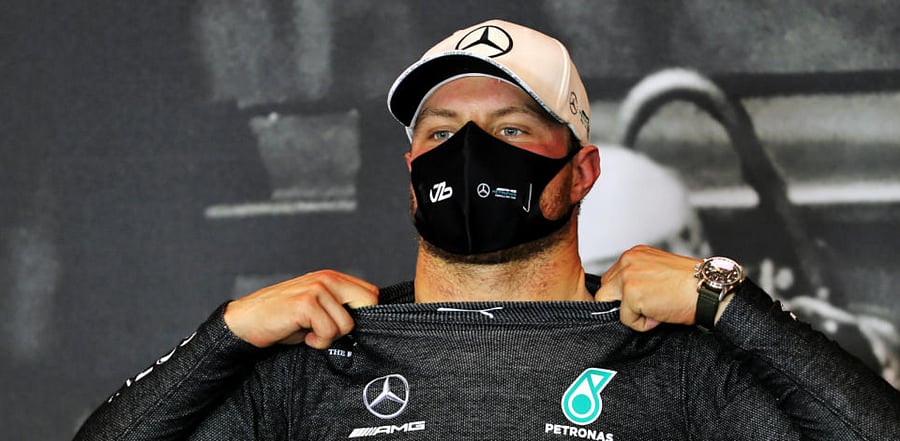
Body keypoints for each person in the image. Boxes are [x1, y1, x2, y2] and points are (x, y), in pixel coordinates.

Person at [75, 19, 899, 440]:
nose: (467, 154)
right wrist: (224, 335)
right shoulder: (319, 355)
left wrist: (725, 299)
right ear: (410, 173)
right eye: (441, 133)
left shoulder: (673, 360)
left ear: (581, 172)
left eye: (509, 129)